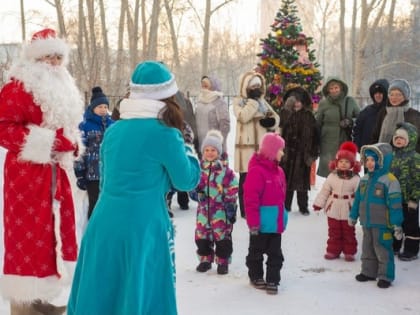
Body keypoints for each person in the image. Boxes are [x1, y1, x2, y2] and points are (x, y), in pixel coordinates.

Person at [67, 61, 200, 315]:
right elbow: (186, 181)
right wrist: (189, 151)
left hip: (104, 224)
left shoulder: (114, 131)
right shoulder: (166, 133)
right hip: (143, 228)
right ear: (167, 96)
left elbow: (105, 182)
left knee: (104, 295)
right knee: (138, 295)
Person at [0, 28, 83, 315]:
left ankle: (42, 300)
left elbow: (67, 128)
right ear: (34, 59)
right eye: (48, 57)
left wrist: (71, 144)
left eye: (58, 57)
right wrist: (50, 142)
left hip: (55, 174)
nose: (54, 63)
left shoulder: (61, 87)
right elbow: (3, 128)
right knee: (27, 240)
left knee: (53, 237)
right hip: (26, 177)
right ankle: (23, 306)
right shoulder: (17, 87)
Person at [349, 143, 403, 289]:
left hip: (383, 224)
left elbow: (395, 204)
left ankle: (386, 276)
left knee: (383, 249)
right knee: (367, 248)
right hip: (367, 222)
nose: (369, 163)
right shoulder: (365, 179)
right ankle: (368, 272)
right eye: (367, 160)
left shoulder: (390, 180)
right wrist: (353, 216)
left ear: (382, 160)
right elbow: (358, 200)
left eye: (373, 160)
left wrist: (396, 224)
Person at [244, 133, 287, 295]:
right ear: (271, 151)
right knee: (256, 253)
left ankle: (273, 279)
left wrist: (283, 218)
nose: (282, 153)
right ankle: (255, 276)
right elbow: (250, 200)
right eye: (280, 150)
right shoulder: (257, 172)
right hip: (260, 225)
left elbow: (282, 197)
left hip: (275, 224)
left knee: (276, 254)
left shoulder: (279, 171)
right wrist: (253, 224)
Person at [233, 71, 280, 218]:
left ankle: (259, 206)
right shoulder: (238, 102)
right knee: (246, 181)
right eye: (252, 86)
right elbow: (243, 116)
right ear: (245, 87)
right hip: (245, 150)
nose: (256, 89)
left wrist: (272, 122)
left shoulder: (263, 102)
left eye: (258, 86)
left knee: (260, 179)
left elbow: (275, 117)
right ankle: (245, 210)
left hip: (260, 149)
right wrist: (253, 103)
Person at [193, 130, 239, 275]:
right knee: (202, 236)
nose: (210, 153)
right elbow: (192, 186)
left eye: (213, 150)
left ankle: (222, 262)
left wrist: (229, 203)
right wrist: (197, 194)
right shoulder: (199, 170)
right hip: (203, 212)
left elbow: (233, 186)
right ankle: (205, 260)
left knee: (222, 238)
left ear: (218, 151)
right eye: (206, 150)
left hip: (220, 211)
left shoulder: (225, 171)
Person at [313, 141, 361, 261]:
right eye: (341, 161)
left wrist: (359, 209)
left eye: (347, 162)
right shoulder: (332, 176)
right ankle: (333, 250)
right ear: (336, 163)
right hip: (333, 208)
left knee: (348, 232)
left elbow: (360, 196)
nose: (343, 164)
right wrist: (318, 204)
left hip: (348, 209)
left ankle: (349, 252)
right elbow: (324, 191)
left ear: (352, 164)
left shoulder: (355, 179)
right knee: (334, 231)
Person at [74, 86, 114, 219]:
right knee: (95, 205)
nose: (103, 109)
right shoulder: (85, 126)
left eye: (105, 106)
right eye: (99, 107)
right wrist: (80, 174)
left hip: (110, 173)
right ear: (93, 108)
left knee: (110, 204)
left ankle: (108, 232)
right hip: (93, 175)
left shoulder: (112, 125)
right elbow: (80, 151)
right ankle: (92, 231)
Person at [280, 86, 320, 216]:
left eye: (299, 101)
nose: (296, 104)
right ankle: (286, 205)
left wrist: (313, 153)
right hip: (288, 154)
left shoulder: (309, 116)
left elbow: (316, 136)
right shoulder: (285, 115)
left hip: (303, 155)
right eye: (294, 101)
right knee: (287, 181)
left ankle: (303, 206)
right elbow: (279, 133)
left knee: (302, 182)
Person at [315, 77, 360, 177]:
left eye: (336, 87)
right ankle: (331, 190)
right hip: (327, 142)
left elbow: (360, 118)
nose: (334, 90)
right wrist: (316, 141)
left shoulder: (350, 101)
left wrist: (350, 121)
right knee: (330, 171)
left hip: (344, 140)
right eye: (331, 88)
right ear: (327, 90)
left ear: (341, 88)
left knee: (344, 168)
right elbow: (318, 123)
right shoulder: (323, 103)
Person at [390, 122, 420, 261]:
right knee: (396, 222)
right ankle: (395, 245)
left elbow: (417, 180)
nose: (398, 140)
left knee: (410, 225)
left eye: (402, 138)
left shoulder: (415, 158)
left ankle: (411, 249)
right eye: (396, 138)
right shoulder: (393, 156)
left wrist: (414, 198)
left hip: (409, 200)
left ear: (410, 139)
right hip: (395, 198)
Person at [372, 79, 420, 153]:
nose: (394, 98)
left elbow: (417, 140)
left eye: (398, 95)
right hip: (383, 156)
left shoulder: (414, 114)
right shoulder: (384, 112)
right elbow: (375, 135)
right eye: (391, 94)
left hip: (406, 159)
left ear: (405, 97)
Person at [195, 75, 230, 153]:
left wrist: (219, 143)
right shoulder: (200, 101)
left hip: (215, 147)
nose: (203, 86)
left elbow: (225, 125)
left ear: (213, 86)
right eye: (202, 84)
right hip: (201, 145)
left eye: (206, 85)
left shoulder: (219, 102)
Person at [353, 79, 389, 150]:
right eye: (375, 93)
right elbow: (357, 131)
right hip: (366, 151)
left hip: (384, 151)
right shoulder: (366, 111)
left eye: (380, 93)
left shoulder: (390, 111)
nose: (377, 95)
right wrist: (358, 147)